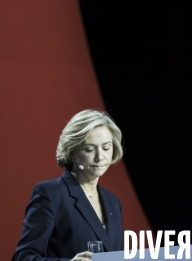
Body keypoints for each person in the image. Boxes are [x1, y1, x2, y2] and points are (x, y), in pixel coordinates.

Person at [13, 109, 124, 261]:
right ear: (72, 153)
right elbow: (23, 257)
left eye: (106, 148)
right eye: (89, 149)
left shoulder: (113, 202)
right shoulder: (50, 194)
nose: (100, 157)